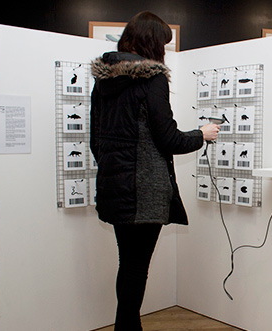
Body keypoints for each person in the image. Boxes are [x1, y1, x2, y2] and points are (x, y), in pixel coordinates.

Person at [89, 11, 220, 331]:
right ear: (152, 44)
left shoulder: (104, 81)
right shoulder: (153, 78)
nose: (164, 50)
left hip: (114, 187)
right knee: (136, 267)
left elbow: (95, 141)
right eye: (163, 44)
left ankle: (127, 326)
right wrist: (201, 134)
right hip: (144, 191)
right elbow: (169, 138)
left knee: (128, 263)